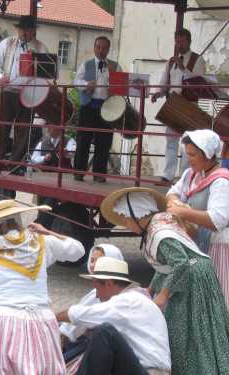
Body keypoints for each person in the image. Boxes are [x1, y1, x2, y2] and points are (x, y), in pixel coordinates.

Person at [99, 187, 229, 375]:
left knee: (187, 334)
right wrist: (151, 288)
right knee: (187, 332)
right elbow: (165, 265)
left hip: (193, 279)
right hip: (193, 275)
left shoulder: (159, 232)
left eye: (126, 219)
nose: (126, 224)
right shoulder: (158, 221)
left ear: (138, 215)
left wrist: (163, 294)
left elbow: (181, 263)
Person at [0, 200, 85, 375]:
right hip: (40, 319)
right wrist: (47, 231)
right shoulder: (42, 242)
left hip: (1, 318)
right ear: (20, 220)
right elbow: (78, 250)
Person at [56, 257, 171, 375]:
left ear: (109, 283)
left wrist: (51, 318)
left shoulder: (128, 301)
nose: (96, 295)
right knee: (94, 336)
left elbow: (79, 315)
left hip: (151, 371)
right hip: (141, 368)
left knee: (104, 332)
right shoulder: (135, 300)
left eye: (97, 289)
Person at [165, 129, 229, 306]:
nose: (188, 159)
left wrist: (183, 212)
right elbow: (172, 193)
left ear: (207, 155)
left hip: (217, 248)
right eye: (187, 154)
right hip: (195, 243)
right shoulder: (191, 174)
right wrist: (175, 203)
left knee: (217, 300)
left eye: (192, 155)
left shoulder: (221, 182)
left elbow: (217, 220)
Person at [0, 15, 49, 165]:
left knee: (23, 130)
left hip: (28, 94)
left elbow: (48, 73)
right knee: (2, 126)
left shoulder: (41, 48)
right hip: (8, 91)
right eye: (21, 29)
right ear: (18, 29)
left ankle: (16, 164)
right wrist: (0, 75)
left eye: (27, 30)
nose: (24, 33)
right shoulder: (7, 43)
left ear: (33, 31)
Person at [152, 28, 206, 184]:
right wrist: (158, 93)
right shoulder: (171, 61)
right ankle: (168, 175)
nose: (179, 44)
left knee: (188, 143)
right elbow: (165, 82)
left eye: (182, 41)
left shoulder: (198, 60)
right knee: (171, 140)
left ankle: (185, 177)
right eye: (177, 41)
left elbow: (199, 81)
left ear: (189, 41)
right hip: (173, 104)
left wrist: (182, 67)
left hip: (189, 105)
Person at [73, 36, 119, 183]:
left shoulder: (115, 66)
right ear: (94, 48)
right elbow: (76, 81)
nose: (101, 51)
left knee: (104, 141)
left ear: (108, 49)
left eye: (104, 48)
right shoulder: (86, 65)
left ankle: (99, 173)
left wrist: (114, 84)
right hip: (89, 106)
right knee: (83, 140)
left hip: (108, 108)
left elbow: (122, 83)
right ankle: (79, 172)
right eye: (98, 47)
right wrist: (86, 84)